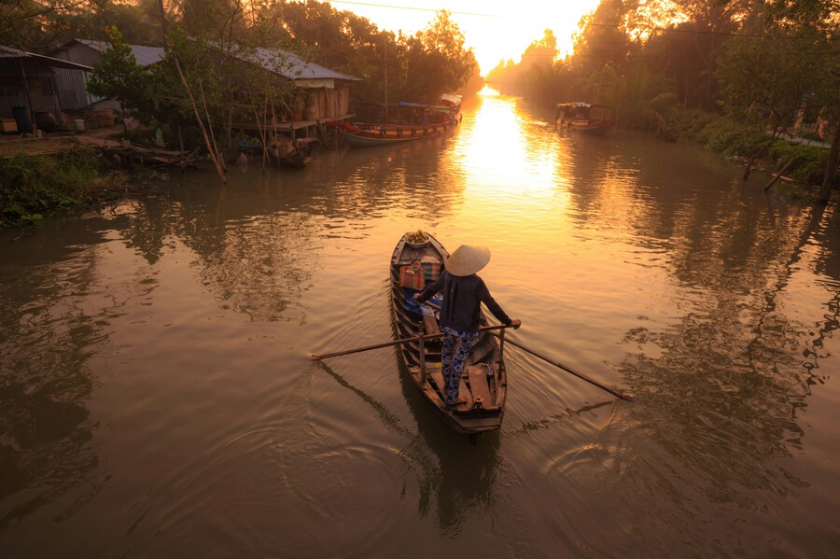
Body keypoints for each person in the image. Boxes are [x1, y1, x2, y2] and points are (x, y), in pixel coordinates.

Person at [413, 245, 521, 406]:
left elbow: (433, 289)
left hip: (447, 324)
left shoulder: (447, 274)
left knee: (447, 354)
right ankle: (452, 397)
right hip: (465, 329)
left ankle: (447, 383)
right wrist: (508, 321)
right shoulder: (476, 282)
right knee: (459, 361)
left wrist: (420, 298)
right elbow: (491, 304)